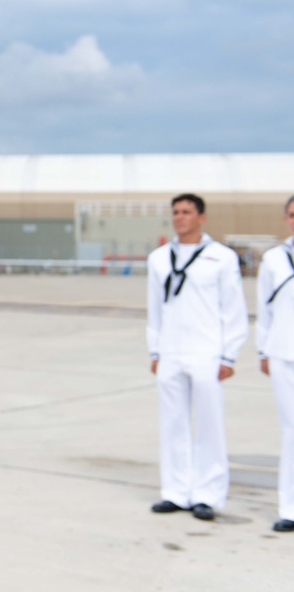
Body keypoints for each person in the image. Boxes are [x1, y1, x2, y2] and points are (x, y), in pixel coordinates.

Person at [146, 193, 248, 521]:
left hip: (207, 351)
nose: (180, 217)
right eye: (176, 212)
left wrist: (229, 355)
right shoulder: (159, 258)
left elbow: (233, 309)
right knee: (172, 422)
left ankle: (207, 494)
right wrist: (156, 350)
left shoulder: (222, 257)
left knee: (209, 425)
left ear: (201, 217)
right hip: (171, 351)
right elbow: (154, 310)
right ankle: (175, 491)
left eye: (187, 212)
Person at [256, 195, 294, 533]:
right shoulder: (274, 259)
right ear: (286, 219)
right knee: (291, 431)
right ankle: (290, 507)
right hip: (283, 354)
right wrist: (263, 352)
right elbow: (263, 311)